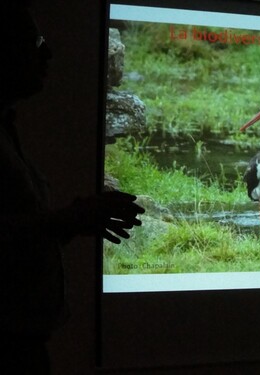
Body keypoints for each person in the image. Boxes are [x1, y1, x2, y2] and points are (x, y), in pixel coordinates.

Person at [0, 1, 145, 373]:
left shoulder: (8, 129)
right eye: (35, 42)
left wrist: (73, 221)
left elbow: (18, 238)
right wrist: (68, 220)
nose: (48, 53)